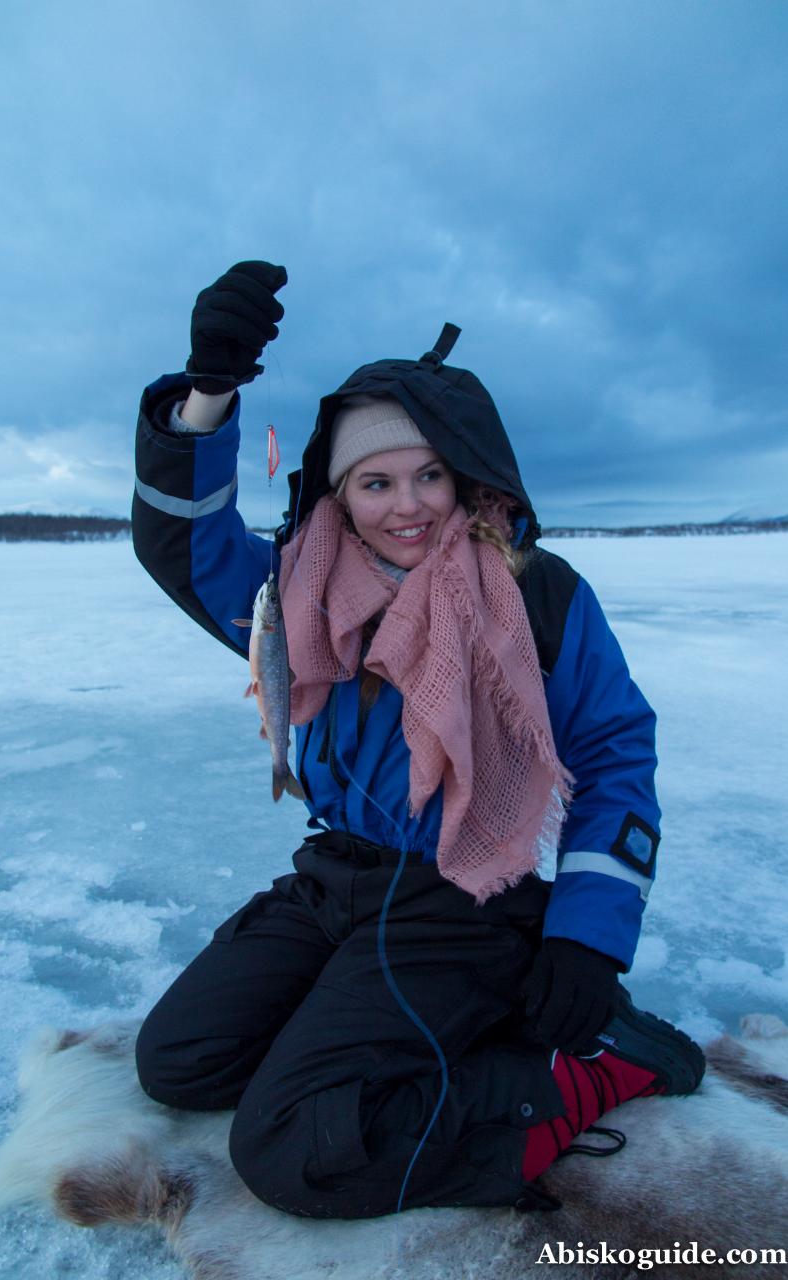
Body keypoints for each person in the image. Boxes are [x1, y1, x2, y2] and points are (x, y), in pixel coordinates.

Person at [131, 261, 705, 1219]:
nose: (408, 505)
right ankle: (420, 1026)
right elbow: (182, 546)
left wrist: (589, 939)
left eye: (430, 473)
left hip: (461, 895)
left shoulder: (535, 593)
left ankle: (584, 1073)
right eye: (377, 481)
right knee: (181, 1061)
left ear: (467, 471)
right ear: (338, 493)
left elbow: (614, 757)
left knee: (291, 1148)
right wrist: (209, 395)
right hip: (337, 878)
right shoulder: (296, 586)